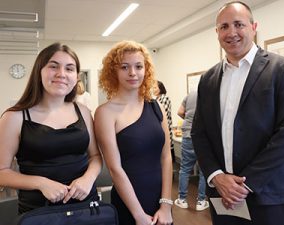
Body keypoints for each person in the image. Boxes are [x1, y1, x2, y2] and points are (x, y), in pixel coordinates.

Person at [191, 1, 284, 225]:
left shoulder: (283, 70)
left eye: (239, 24)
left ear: (253, 27)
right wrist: (216, 176)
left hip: (266, 192)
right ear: (217, 32)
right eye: (224, 27)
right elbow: (199, 133)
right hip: (221, 193)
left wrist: (245, 183)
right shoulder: (208, 79)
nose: (231, 33)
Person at [0, 42, 102, 214]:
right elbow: (2, 171)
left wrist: (88, 178)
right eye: (53, 66)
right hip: (39, 212)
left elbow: (95, 156)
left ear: (76, 77)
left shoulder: (83, 112)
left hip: (86, 207)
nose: (61, 74)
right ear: (38, 72)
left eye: (69, 69)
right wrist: (41, 183)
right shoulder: (15, 117)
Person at [94, 40, 173, 225]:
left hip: (161, 200)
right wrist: (138, 215)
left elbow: (166, 157)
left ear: (146, 70)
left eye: (138, 66)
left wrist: (166, 204)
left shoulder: (156, 106)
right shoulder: (105, 113)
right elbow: (115, 168)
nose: (132, 73)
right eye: (124, 67)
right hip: (129, 202)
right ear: (113, 71)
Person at [174, 91, 209, 211]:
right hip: (204, 136)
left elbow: (180, 112)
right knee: (204, 171)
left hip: (188, 134)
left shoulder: (190, 95)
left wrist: (189, 119)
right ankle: (201, 201)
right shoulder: (209, 94)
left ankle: (182, 200)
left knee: (184, 169)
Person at [153, 81, 175, 162]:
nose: (153, 90)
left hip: (165, 131)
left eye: (155, 88)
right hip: (159, 132)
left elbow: (161, 115)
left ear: (160, 88)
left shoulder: (164, 98)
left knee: (167, 158)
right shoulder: (156, 99)